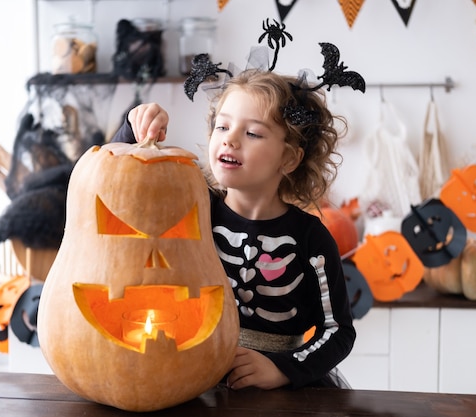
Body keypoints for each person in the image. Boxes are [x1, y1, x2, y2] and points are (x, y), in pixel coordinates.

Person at [111, 68, 356, 390]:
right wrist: (133, 130)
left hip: (279, 390)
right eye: (222, 126)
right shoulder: (191, 207)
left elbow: (338, 331)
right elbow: (117, 188)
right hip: (188, 370)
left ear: (289, 158)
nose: (230, 138)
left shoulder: (311, 238)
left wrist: (281, 370)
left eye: (253, 133)